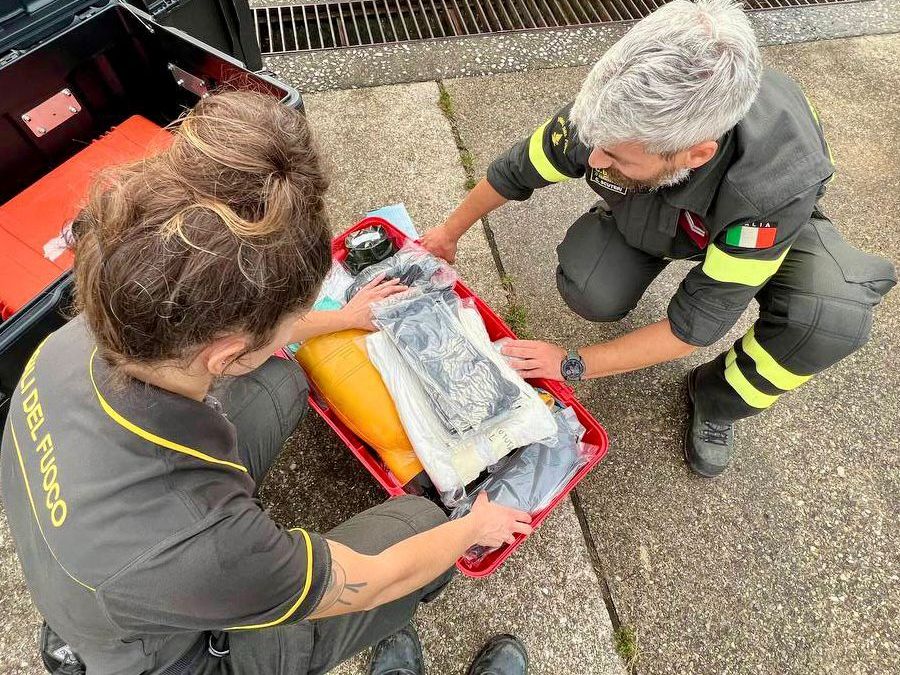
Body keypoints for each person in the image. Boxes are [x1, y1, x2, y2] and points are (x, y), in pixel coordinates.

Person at [0, 91, 533, 675]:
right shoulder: (212, 549)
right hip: (170, 651)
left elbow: (234, 329)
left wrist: (348, 317)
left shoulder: (80, 337)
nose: (288, 328)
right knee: (424, 529)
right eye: (282, 321)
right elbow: (371, 581)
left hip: (96, 565)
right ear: (225, 353)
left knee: (279, 381)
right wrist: (472, 528)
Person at [422, 0, 896, 478]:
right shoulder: (616, 114)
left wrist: (571, 364)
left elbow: (695, 326)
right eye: (597, 145)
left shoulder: (769, 191)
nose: (596, 161)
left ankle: (715, 401)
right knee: (592, 288)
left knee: (828, 319)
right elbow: (514, 172)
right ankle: (639, 217)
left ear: (695, 153)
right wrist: (447, 233)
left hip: (760, 221)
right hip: (666, 201)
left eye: (617, 159)